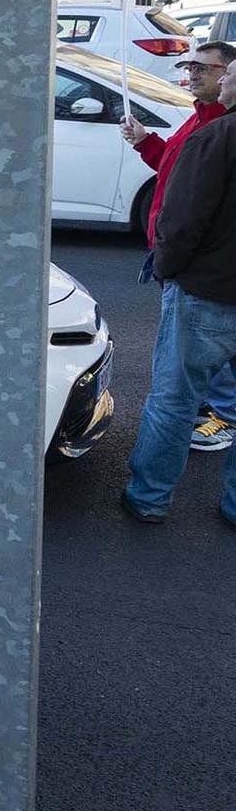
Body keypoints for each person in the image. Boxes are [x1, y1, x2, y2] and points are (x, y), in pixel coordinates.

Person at [123, 62, 236, 526]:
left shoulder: (215, 137)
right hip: (210, 286)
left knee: (174, 400)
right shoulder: (208, 130)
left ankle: (149, 498)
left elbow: (181, 218)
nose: (222, 80)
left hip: (206, 292)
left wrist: (166, 269)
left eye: (229, 73)